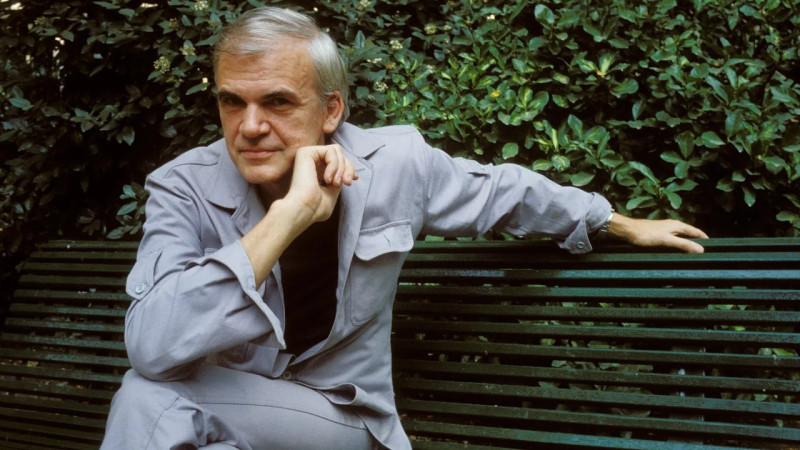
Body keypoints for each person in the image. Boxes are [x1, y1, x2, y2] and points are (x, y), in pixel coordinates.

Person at [101, 6, 708, 450]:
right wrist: (286, 218)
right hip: (235, 418)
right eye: (233, 101)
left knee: (150, 399)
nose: (250, 126)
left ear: (331, 109)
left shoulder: (393, 166)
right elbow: (152, 344)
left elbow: (501, 191)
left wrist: (616, 222)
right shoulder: (183, 186)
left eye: (278, 102)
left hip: (339, 418)